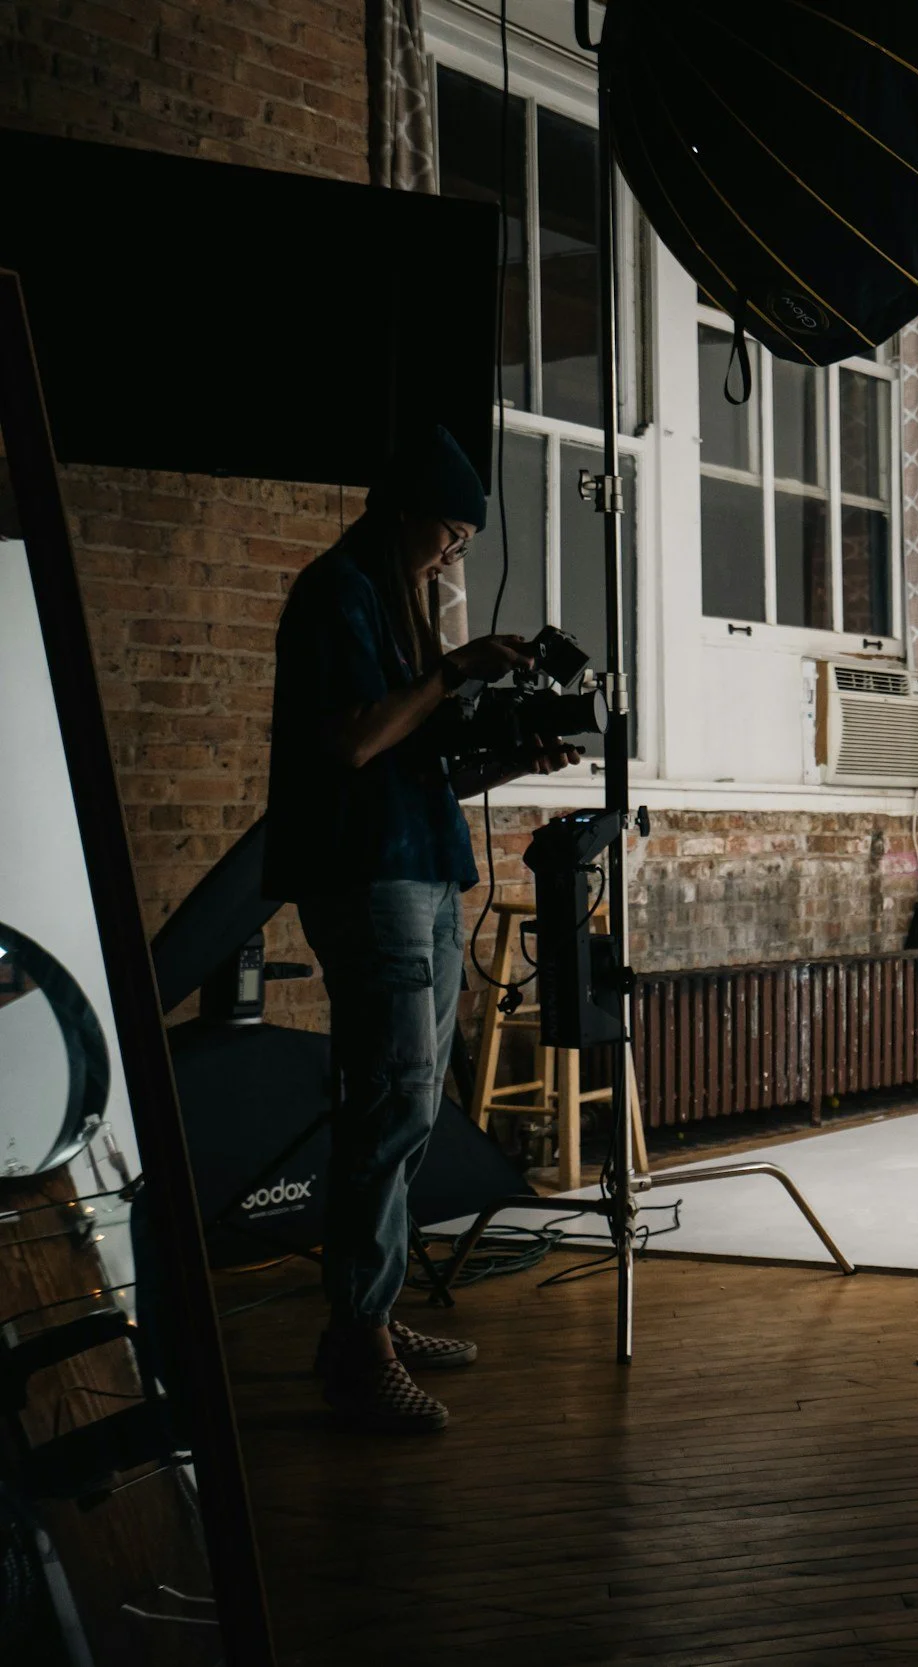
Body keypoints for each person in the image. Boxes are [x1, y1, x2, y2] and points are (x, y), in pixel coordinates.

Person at [264, 425, 575, 1433]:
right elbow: (353, 741)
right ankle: (359, 1343)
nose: (452, 554)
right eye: (447, 530)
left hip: (427, 867)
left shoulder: (395, 606)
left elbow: (419, 768)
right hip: (372, 877)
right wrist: (452, 672)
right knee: (388, 1103)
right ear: (403, 512)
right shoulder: (337, 592)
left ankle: (376, 1315)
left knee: (411, 1106)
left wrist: (512, 759)